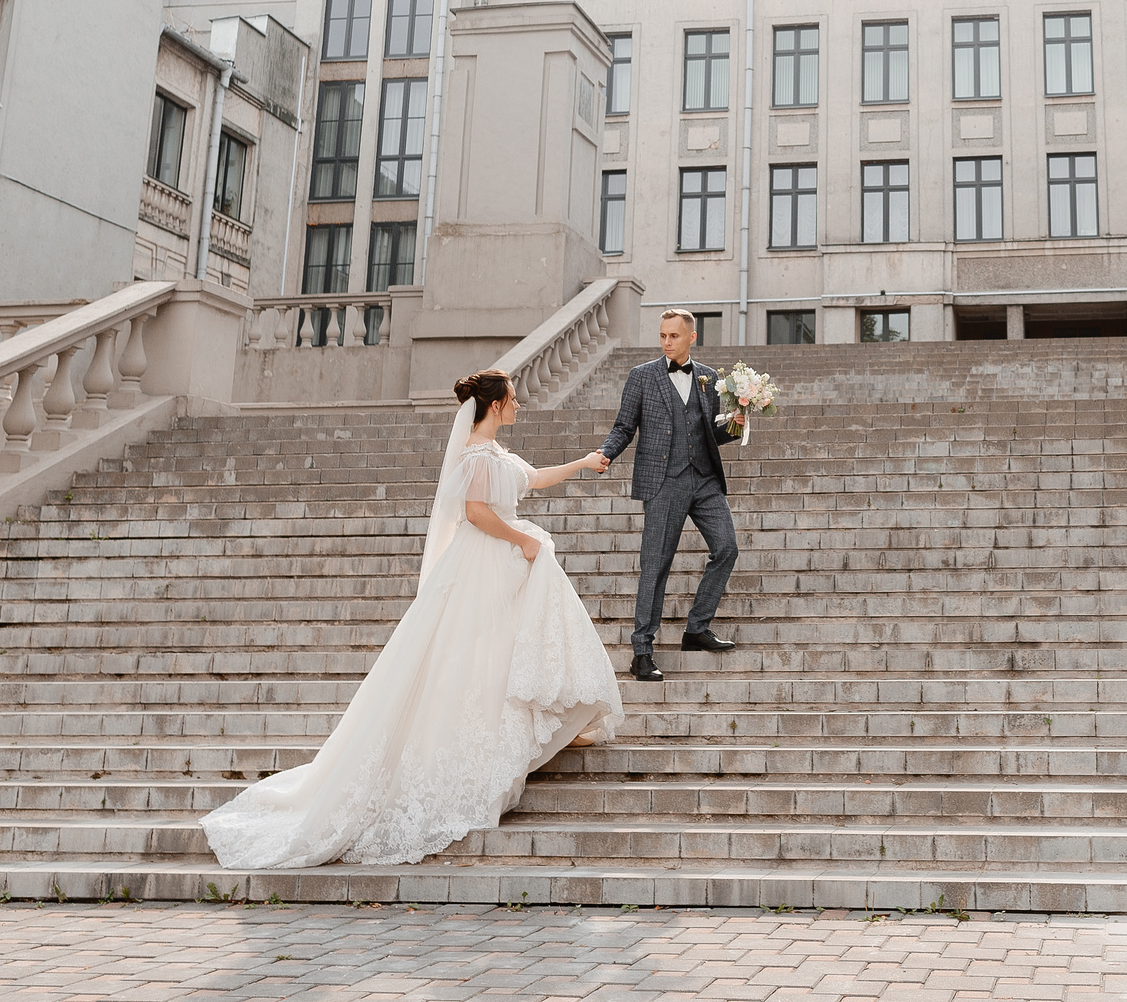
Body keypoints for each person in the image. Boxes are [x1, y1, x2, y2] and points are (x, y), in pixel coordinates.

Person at [200, 369, 623, 868]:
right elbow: (476, 513)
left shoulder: (495, 453)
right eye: (512, 399)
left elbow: (534, 478)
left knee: (504, 643)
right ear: (494, 405)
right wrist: (523, 540)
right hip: (484, 559)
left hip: (500, 559)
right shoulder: (476, 455)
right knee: (472, 648)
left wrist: (583, 463)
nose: (518, 406)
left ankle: (539, 723)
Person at [599, 307, 747, 682]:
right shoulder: (642, 376)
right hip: (663, 481)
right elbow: (624, 426)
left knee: (727, 548)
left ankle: (697, 628)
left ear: (691, 337)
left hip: (704, 479)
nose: (666, 342)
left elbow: (710, 433)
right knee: (656, 565)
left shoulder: (709, 378)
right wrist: (606, 453)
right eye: (663, 335)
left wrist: (735, 425)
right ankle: (642, 651)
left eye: (674, 336)